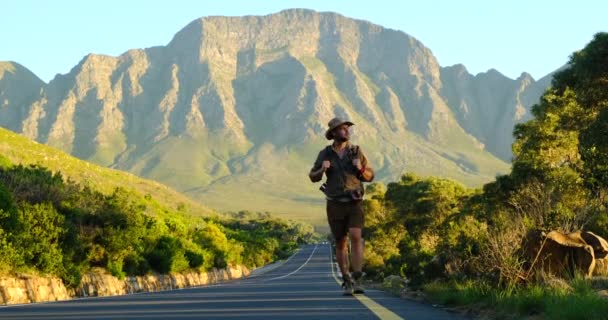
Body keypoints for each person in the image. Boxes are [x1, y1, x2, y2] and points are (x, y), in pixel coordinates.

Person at [308, 117, 374, 295]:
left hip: (354, 202)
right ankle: (347, 279)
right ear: (334, 133)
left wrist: (360, 168)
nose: (347, 131)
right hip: (335, 203)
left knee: (356, 235)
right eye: (343, 129)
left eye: (347, 128)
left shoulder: (356, 151)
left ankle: (358, 277)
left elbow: (370, 176)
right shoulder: (325, 154)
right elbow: (312, 176)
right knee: (340, 242)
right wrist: (322, 169)